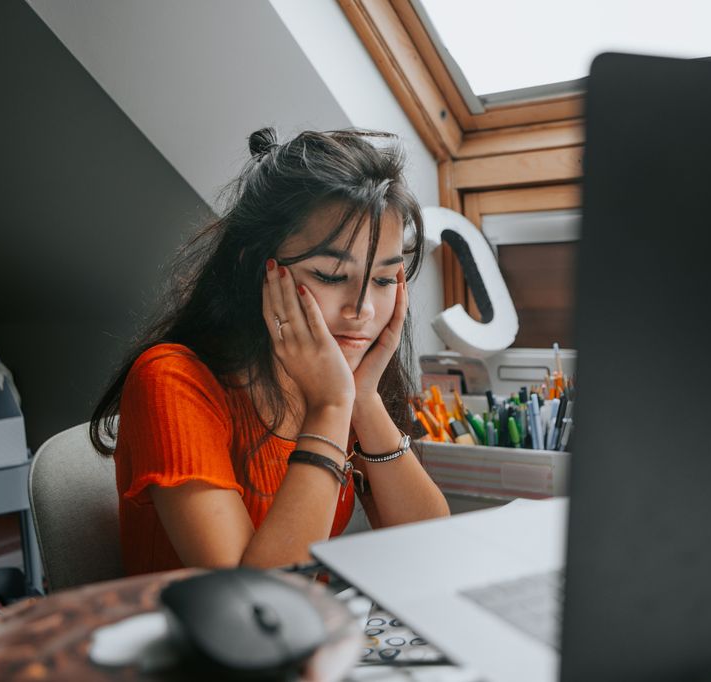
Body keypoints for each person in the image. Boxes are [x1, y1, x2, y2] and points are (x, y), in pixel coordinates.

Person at [90, 127, 450, 574]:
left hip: (307, 635)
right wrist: (332, 405)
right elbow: (251, 604)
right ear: (257, 269)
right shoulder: (170, 380)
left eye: (382, 281)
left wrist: (363, 400)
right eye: (332, 277)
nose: (361, 310)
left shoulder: (338, 379)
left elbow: (430, 550)